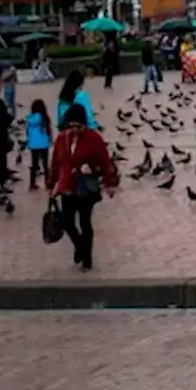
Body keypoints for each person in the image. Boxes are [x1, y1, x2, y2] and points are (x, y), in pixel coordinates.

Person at [47, 102, 119, 271]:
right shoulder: (62, 139)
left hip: (86, 187)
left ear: (83, 124)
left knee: (85, 222)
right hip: (67, 186)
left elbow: (105, 161)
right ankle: (80, 245)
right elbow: (56, 163)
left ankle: (87, 257)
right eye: (71, 126)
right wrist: (52, 184)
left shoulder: (94, 138)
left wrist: (109, 183)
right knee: (67, 221)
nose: (74, 130)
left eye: (77, 126)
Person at [26, 98, 53, 189]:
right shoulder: (44, 117)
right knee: (45, 164)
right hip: (43, 144)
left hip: (33, 145)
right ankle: (47, 183)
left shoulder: (29, 119)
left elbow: (27, 132)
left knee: (34, 165)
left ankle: (32, 183)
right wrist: (50, 140)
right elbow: (49, 130)